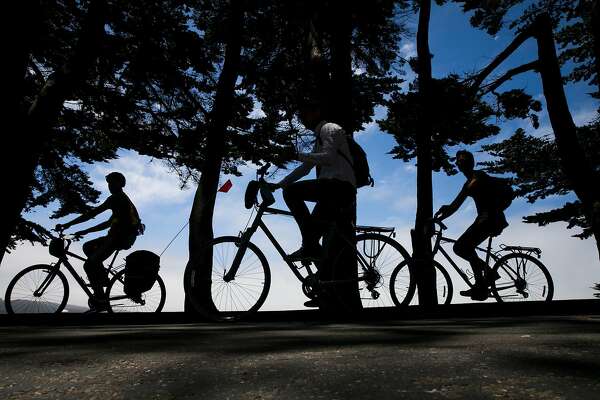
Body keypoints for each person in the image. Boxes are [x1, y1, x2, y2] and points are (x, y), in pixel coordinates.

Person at [270, 102, 356, 263]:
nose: (303, 119)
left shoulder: (329, 129)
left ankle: (310, 247)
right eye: (301, 117)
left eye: (305, 114)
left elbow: (328, 158)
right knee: (312, 236)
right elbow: (305, 168)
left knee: (291, 192)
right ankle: (322, 275)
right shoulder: (320, 139)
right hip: (333, 191)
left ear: (317, 112)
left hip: (338, 187)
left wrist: (296, 155)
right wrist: (279, 184)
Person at [56, 172, 143, 311]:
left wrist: (68, 224)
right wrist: (85, 231)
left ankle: (100, 299)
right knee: (87, 247)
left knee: (89, 265)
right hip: (115, 237)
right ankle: (102, 279)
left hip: (119, 239)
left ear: (120, 184)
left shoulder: (117, 199)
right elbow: (107, 224)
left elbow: (92, 214)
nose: (110, 186)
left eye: (112, 183)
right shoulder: (122, 201)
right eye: (109, 183)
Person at [434, 150, 508, 301]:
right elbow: (455, 205)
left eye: (462, 160)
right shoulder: (468, 183)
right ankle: (484, 280)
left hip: (491, 219)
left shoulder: (478, 176)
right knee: (463, 247)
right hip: (484, 219)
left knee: (462, 247)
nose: (459, 163)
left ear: (470, 163)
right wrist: (441, 215)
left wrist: (447, 211)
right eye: (459, 161)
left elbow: (473, 189)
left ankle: (484, 280)